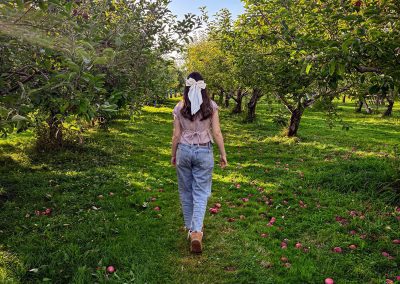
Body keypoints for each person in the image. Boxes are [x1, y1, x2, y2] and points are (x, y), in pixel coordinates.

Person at [171, 72, 227, 253]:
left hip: (184, 151)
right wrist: (222, 154)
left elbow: (176, 135)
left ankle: (191, 229)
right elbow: (217, 132)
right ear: (204, 87)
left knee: (186, 190)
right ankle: (196, 232)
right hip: (204, 151)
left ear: (186, 87)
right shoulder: (211, 106)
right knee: (201, 192)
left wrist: (173, 154)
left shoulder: (180, 107)